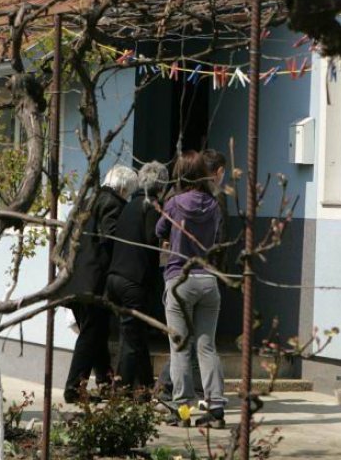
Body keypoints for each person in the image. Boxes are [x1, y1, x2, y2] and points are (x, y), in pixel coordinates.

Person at [156, 150, 227, 428]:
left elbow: (159, 230)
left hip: (180, 279)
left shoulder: (174, 203)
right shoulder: (213, 204)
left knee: (180, 348)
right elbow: (218, 236)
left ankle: (182, 411)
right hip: (208, 280)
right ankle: (217, 408)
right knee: (207, 346)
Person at [63, 165, 138, 403]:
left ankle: (105, 382)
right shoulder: (112, 204)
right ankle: (74, 388)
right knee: (91, 333)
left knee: (97, 332)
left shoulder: (86, 200)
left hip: (75, 276)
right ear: (124, 188)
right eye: (130, 192)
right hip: (93, 281)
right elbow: (111, 238)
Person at [106, 161, 168, 397]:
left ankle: (145, 385)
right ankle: (120, 392)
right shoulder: (150, 207)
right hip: (134, 280)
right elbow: (152, 241)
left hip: (116, 277)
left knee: (137, 334)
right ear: (161, 186)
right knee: (131, 339)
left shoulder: (129, 205)